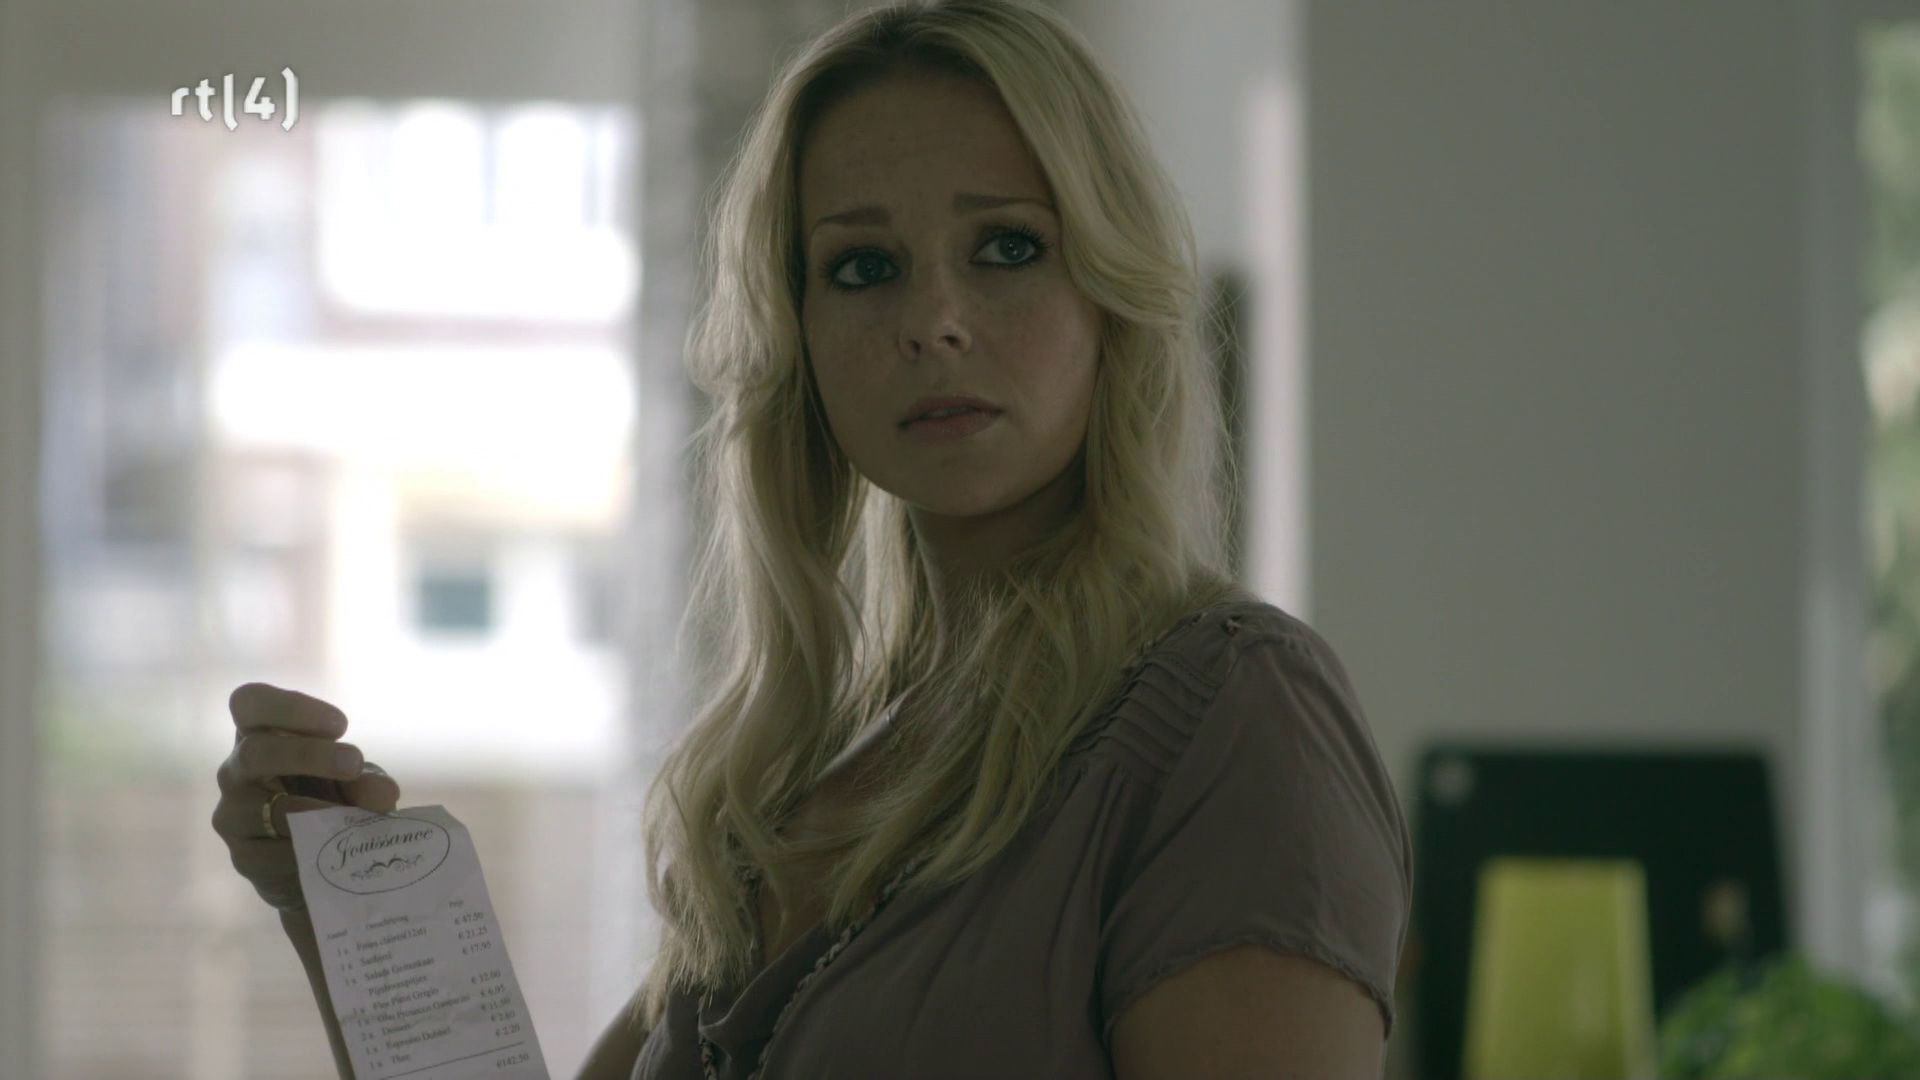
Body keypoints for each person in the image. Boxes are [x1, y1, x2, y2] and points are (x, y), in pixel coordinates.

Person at [210, 0, 1413, 1077]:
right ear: (799, 338)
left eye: (1007, 246)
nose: (934, 320)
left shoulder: (1233, 711)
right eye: (863, 266)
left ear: (1111, 291)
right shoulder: (808, 766)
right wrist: (349, 913)